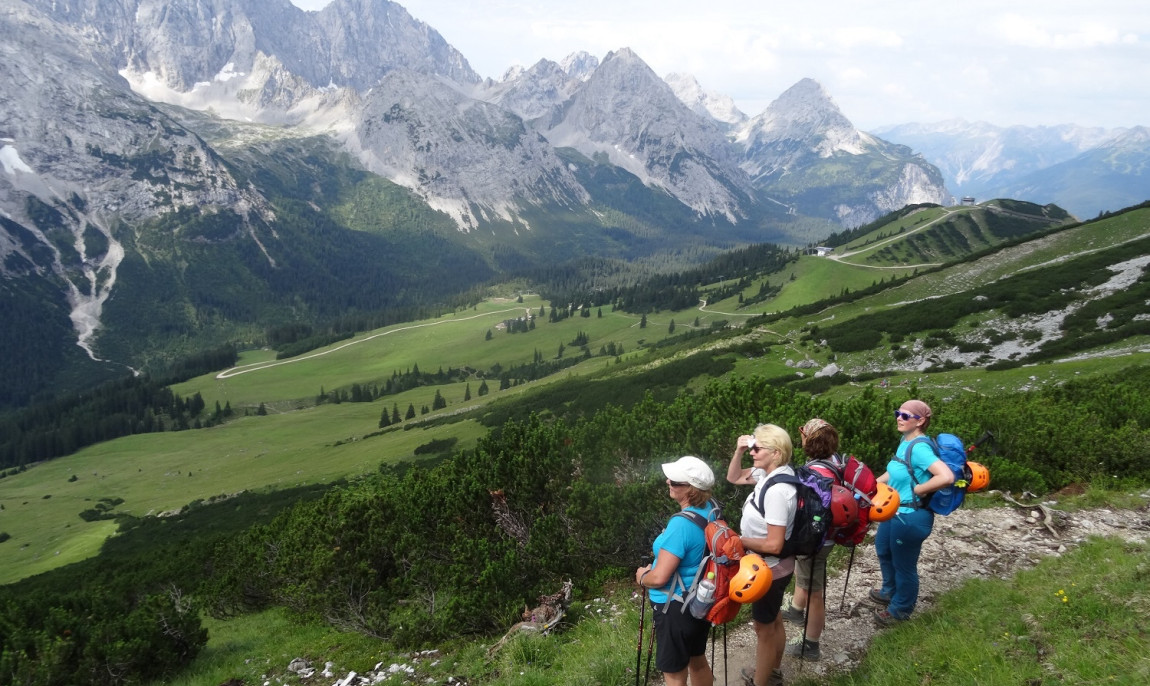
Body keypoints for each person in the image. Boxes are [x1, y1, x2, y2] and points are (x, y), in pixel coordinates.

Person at [635, 455, 717, 686]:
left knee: (673, 672)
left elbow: (660, 577)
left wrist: (642, 577)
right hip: (701, 598)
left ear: (690, 490)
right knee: (697, 660)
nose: (668, 482)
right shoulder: (711, 509)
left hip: (674, 606)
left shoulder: (681, 524)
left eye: (674, 481)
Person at [871, 399, 954, 625]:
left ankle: (900, 609)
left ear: (921, 421)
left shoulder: (920, 448)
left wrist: (919, 489)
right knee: (883, 549)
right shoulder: (905, 440)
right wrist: (871, 487)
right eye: (899, 413)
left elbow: (946, 476)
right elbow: (897, 470)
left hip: (911, 515)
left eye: (906, 416)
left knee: (904, 564)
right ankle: (890, 591)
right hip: (894, 511)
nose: (899, 417)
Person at [727, 424, 796, 686]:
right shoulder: (770, 474)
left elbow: (775, 544)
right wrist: (739, 450)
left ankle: (762, 680)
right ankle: (773, 670)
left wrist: (738, 540)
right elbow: (733, 477)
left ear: (776, 453)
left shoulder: (778, 491)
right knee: (774, 619)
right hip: (774, 566)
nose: (752, 452)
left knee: (763, 629)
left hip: (770, 568)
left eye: (757, 448)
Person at [779, 418, 844, 660]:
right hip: (828, 536)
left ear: (809, 439)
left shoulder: (812, 472)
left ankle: (811, 643)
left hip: (815, 540)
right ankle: (796, 609)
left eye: (803, 434)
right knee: (805, 576)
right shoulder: (833, 463)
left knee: (816, 591)